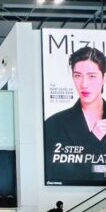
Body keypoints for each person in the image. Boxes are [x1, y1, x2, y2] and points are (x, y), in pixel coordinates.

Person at [44, 46, 106, 186]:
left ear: (104, 78)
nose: (84, 84)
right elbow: (53, 172)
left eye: (92, 76)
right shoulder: (54, 125)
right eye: (78, 76)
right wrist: (92, 140)